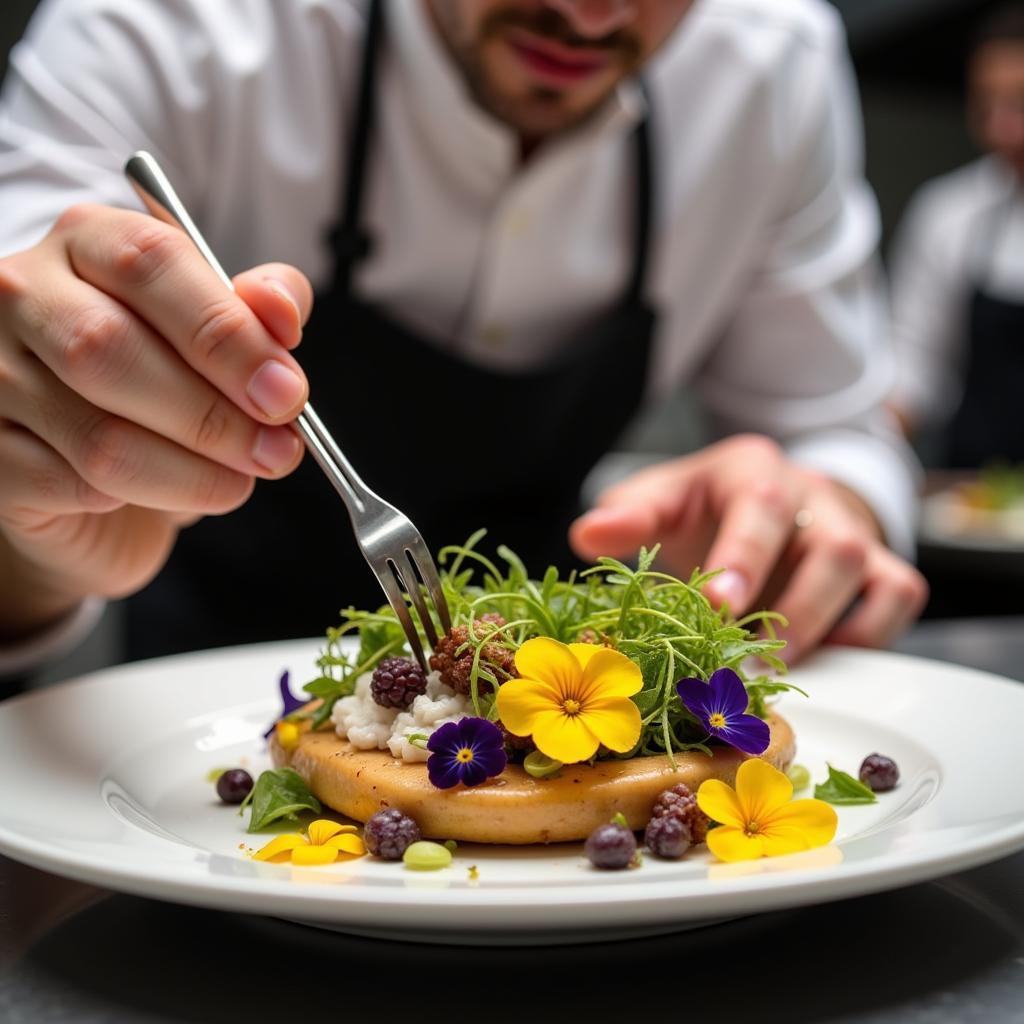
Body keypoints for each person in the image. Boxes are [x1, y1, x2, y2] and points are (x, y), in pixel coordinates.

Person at [0, 0, 927, 676]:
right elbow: (30, 363)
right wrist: (34, 532)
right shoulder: (166, 28)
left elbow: (838, 430)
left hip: (551, 706)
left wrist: (813, 513)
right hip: (185, 733)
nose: (592, 14)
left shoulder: (775, 65)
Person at [888, 3, 1024, 467]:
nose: (1003, 129)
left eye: (1021, 102)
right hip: (973, 498)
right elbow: (915, 366)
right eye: (986, 105)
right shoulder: (950, 212)